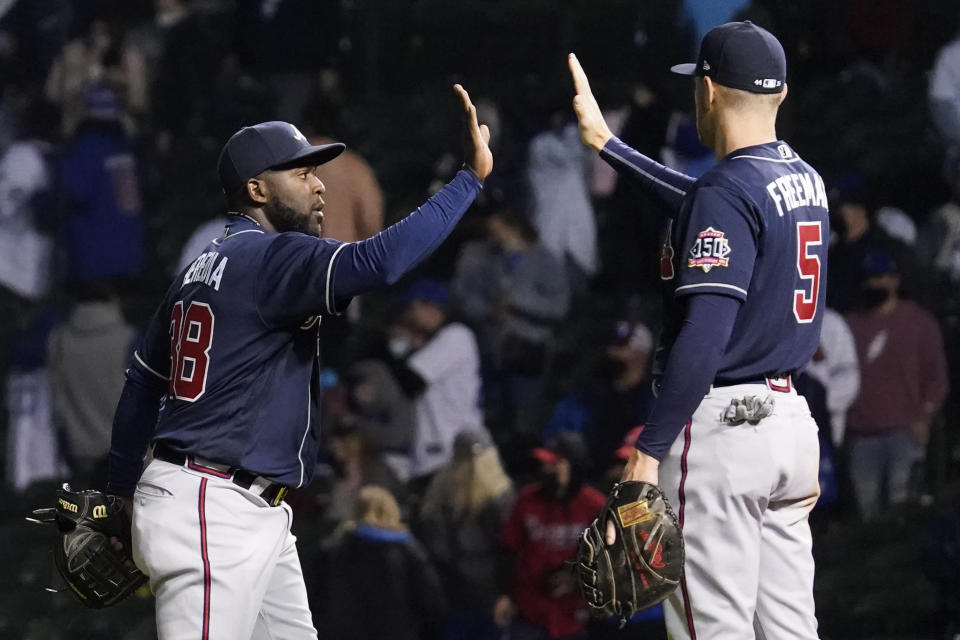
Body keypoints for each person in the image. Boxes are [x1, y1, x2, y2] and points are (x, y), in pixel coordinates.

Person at [105, 84, 492, 639]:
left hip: (240, 507)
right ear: (257, 189)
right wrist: (468, 181)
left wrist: (122, 487)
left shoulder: (200, 267)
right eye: (302, 173)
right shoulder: (273, 257)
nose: (318, 186)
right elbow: (380, 262)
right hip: (214, 508)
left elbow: (142, 385)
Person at [569, 21, 826, 638]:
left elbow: (705, 334)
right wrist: (607, 143)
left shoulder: (727, 191)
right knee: (790, 631)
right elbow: (713, 201)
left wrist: (648, 453)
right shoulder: (803, 179)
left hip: (729, 435)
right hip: (791, 429)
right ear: (781, 94)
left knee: (714, 631)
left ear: (706, 91)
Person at [844, 252, 949, 520]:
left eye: (879, 277)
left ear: (894, 280)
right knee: (867, 515)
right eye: (867, 279)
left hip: (904, 432)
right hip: (861, 435)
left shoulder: (918, 322)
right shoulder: (851, 325)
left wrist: (924, 417)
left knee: (902, 511)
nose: (873, 284)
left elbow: (937, 378)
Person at [496, 432, 605, 640]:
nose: (547, 469)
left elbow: (611, 561)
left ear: (574, 465)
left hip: (575, 615)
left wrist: (576, 580)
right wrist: (505, 594)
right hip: (530, 610)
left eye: (555, 464)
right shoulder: (528, 500)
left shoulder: (595, 506)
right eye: (545, 464)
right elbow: (507, 549)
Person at [314, 485, 446, 640]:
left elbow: (316, 598)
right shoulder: (407, 549)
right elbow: (430, 599)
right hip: (399, 632)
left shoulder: (334, 549)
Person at [419, 429, 515, 640]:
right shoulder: (442, 495)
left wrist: (505, 594)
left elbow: (509, 551)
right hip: (460, 599)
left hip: (479, 599)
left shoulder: (498, 498)